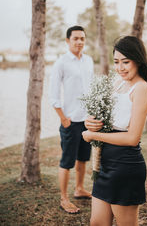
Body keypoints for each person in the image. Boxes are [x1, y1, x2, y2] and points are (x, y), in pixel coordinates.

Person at [82, 36, 147, 226]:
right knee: (97, 223)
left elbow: (133, 138)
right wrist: (91, 122)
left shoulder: (142, 88)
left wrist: (93, 136)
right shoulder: (118, 83)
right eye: (116, 62)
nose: (120, 67)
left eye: (126, 62)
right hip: (105, 164)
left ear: (138, 60)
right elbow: (109, 120)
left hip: (126, 166)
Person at [49, 25, 94, 214]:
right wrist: (63, 118)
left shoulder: (89, 60)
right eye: (75, 38)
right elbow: (53, 94)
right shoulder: (61, 63)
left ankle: (79, 189)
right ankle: (64, 198)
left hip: (87, 120)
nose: (79, 42)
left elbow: (91, 88)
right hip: (70, 120)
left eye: (82, 38)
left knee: (83, 158)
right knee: (67, 161)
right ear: (68, 41)